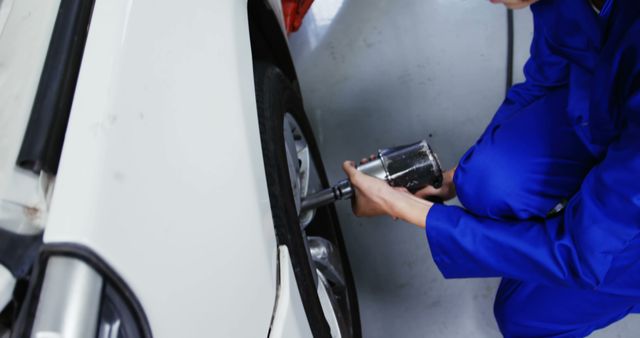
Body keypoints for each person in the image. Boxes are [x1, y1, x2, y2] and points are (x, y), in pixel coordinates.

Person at [342, 0, 640, 336]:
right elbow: (546, 77)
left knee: (523, 314)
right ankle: (564, 222)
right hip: (616, 122)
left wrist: (414, 211)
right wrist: (456, 177)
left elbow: (579, 256)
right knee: (482, 178)